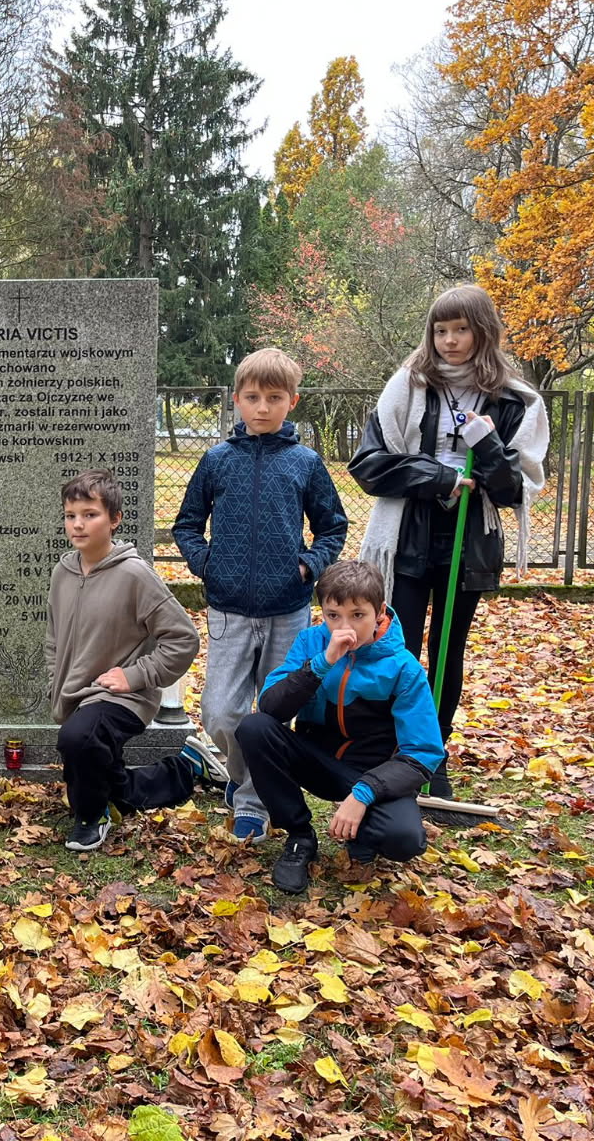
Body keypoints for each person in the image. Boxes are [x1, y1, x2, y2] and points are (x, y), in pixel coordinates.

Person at [348, 285, 548, 814]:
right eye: (441, 330)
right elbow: (368, 465)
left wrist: (485, 446)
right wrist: (439, 477)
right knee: (401, 648)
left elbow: (512, 490)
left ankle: (431, 757)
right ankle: (394, 751)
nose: (450, 341)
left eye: (461, 330)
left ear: (483, 332)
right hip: (407, 536)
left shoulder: (516, 402)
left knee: (447, 651)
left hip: (470, 541)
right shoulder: (406, 386)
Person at [171, 347, 348, 844]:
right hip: (227, 609)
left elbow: (332, 527)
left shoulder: (306, 463)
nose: (263, 407)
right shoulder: (216, 460)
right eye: (252, 397)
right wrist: (207, 565)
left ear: (292, 401)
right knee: (221, 713)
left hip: (286, 611)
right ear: (236, 401)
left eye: (274, 397)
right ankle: (241, 776)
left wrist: (308, 566)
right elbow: (187, 524)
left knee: (269, 712)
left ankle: (251, 799)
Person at [235, 560, 444, 894]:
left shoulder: (403, 667)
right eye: (333, 616)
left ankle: (362, 833)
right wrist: (321, 664)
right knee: (254, 728)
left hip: (372, 773)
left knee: (404, 840)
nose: (343, 627)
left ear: (379, 612)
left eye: (357, 615)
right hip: (317, 760)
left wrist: (363, 793)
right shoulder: (310, 642)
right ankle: (300, 837)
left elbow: (423, 753)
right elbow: (271, 707)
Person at [49, 469, 207, 852]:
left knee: (79, 740)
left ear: (114, 519)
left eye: (90, 514)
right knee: (107, 777)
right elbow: (54, 636)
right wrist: (55, 675)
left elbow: (183, 639)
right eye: (71, 515)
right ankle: (185, 769)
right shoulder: (63, 571)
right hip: (76, 694)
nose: (78, 524)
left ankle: (91, 817)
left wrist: (135, 676)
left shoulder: (135, 574)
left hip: (123, 696)